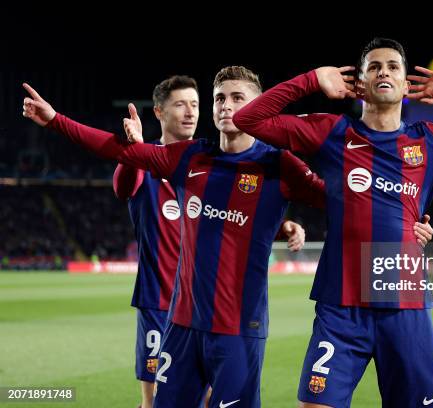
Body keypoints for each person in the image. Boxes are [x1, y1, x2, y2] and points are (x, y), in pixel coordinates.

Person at [23, 64, 433, 408]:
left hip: (239, 331)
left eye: (238, 98)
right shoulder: (191, 157)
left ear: (256, 106)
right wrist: (55, 120)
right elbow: (119, 151)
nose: (226, 106)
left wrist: (411, 222)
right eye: (220, 97)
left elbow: (351, 200)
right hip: (181, 328)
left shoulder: (280, 166)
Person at [233, 38, 433, 407]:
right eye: (373, 67)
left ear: (407, 86)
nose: (383, 71)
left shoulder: (432, 142)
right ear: (359, 85)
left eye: (392, 66)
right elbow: (248, 120)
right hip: (341, 305)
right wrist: (310, 80)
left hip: (404, 307)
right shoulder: (332, 132)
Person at [112, 74, 305, 408]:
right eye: (180, 104)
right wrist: (132, 150)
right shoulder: (150, 162)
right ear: (159, 112)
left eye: (195, 104)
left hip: (212, 305)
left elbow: (230, 220)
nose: (190, 112)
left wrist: (282, 226)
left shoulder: (205, 161)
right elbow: (123, 186)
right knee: (155, 400)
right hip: (161, 301)